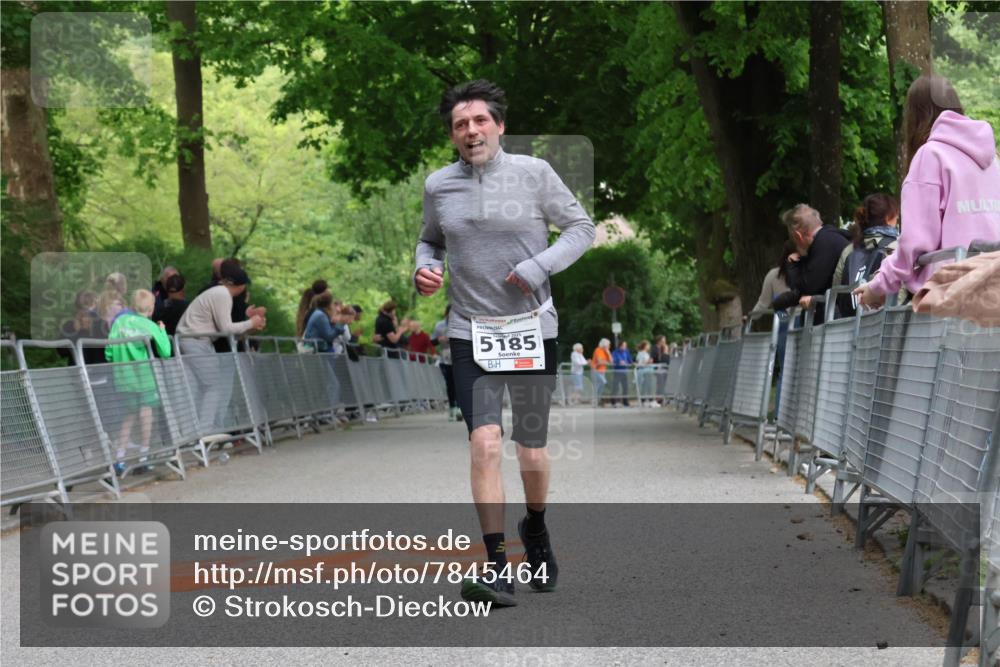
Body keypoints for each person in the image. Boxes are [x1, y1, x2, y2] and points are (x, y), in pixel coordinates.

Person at [414, 79, 594, 606]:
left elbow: (581, 228)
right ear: (452, 135)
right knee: (485, 443)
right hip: (472, 331)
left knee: (531, 453)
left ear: (499, 125)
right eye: (459, 125)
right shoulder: (438, 186)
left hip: (532, 328)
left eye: (479, 121)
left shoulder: (535, 174)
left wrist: (539, 266)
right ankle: (496, 565)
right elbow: (430, 239)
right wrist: (425, 269)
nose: (470, 131)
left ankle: (534, 527)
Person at [855, 75, 1000, 309]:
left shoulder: (931, 156)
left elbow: (916, 242)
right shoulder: (993, 161)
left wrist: (877, 286)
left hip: (952, 296)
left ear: (915, 115)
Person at [176, 263, 265, 433]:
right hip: (196, 341)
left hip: (190, 340)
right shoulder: (223, 294)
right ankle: (206, 430)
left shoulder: (217, 291)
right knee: (214, 386)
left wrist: (246, 318)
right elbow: (226, 328)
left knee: (196, 387)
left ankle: (190, 432)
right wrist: (251, 323)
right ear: (241, 286)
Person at [104, 289, 172, 474]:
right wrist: (162, 332)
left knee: (129, 416)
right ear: (151, 309)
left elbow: (108, 351)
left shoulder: (119, 322)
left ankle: (119, 457)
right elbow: (166, 352)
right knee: (146, 415)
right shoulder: (148, 325)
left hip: (124, 378)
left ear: (133, 306)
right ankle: (144, 455)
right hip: (144, 378)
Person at [772, 204, 851, 324]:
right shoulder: (831, 237)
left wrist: (792, 264)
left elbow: (807, 288)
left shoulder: (824, 242)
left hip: (837, 322)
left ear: (797, 236)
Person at [833, 194, 899, 317]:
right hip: (889, 321)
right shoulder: (898, 246)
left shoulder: (849, 250)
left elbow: (837, 288)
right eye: (896, 217)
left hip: (851, 323)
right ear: (888, 217)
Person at [58, 290, 108, 366]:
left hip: (89, 370)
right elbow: (62, 352)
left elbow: (62, 352)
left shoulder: (102, 324)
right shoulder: (69, 325)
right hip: (88, 371)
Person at [431, 305, 460, 421]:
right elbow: (431, 341)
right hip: (445, 358)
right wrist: (439, 340)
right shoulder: (439, 325)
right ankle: (452, 408)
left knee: (459, 383)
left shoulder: (461, 325)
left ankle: (459, 407)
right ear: (446, 313)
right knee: (450, 384)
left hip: (459, 358)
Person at [153, 273, 189, 338]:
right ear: (183, 289)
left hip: (164, 345)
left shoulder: (158, 309)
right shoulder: (188, 307)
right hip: (182, 344)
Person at [610, 340, 633, 407]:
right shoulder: (615, 352)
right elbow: (614, 360)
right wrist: (619, 361)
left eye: (625, 346)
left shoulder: (626, 351)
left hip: (625, 371)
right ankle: (613, 401)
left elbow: (629, 360)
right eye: (623, 345)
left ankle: (625, 401)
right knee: (615, 387)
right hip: (617, 371)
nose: (625, 347)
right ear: (620, 346)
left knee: (625, 387)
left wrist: (632, 362)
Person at [634, 340, 656, 407]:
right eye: (648, 345)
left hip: (648, 372)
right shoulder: (641, 353)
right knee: (646, 386)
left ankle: (648, 400)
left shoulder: (646, 353)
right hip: (644, 372)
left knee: (648, 386)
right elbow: (640, 364)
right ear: (645, 346)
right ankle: (648, 400)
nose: (649, 346)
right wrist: (648, 362)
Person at [590, 338, 612, 406]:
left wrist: (608, 352)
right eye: (608, 345)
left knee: (601, 385)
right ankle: (595, 400)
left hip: (602, 371)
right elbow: (600, 361)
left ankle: (598, 400)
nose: (609, 346)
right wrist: (606, 362)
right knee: (601, 383)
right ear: (604, 345)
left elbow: (611, 361)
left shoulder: (606, 351)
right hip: (596, 370)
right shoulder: (598, 350)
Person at [650, 335, 670, 407]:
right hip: (658, 369)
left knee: (663, 384)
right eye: (663, 341)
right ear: (659, 341)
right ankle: (658, 399)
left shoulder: (663, 349)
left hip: (664, 370)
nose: (664, 342)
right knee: (660, 384)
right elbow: (653, 359)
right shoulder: (655, 348)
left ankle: (662, 399)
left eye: (665, 341)